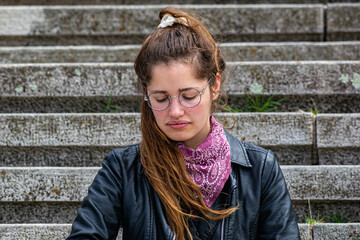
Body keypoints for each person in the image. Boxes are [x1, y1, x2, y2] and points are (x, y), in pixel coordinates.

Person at [67, 7, 300, 240]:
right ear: (147, 95)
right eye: (160, 98)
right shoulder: (122, 169)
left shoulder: (260, 169)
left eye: (189, 96)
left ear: (215, 86)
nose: (175, 112)